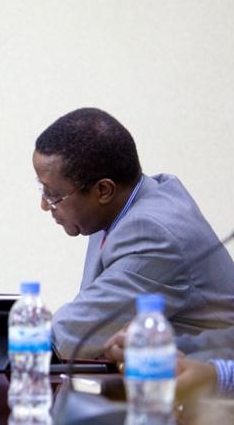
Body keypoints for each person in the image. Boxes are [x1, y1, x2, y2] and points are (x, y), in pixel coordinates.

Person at [32, 107, 234, 359]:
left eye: (52, 194)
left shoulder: (153, 234)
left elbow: (72, 337)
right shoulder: (121, 206)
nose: (44, 205)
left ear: (103, 190)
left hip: (212, 391)